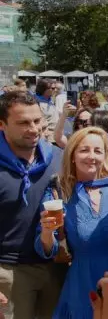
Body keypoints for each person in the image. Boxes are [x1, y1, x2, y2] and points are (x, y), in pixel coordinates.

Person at [35, 127, 108, 319]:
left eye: (98, 151)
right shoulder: (59, 191)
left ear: (105, 155)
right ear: (72, 155)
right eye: (84, 150)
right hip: (84, 284)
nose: (92, 156)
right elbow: (47, 249)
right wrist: (47, 231)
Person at [0, 92, 64, 319]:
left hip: (55, 268)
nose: (34, 129)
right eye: (23, 123)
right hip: (8, 272)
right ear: (2, 125)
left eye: (37, 121)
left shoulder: (57, 157)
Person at [34, 79, 59, 143]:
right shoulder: (37, 104)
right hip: (48, 140)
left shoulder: (49, 100)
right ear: (44, 89)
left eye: (56, 88)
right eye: (53, 88)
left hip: (56, 137)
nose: (55, 90)